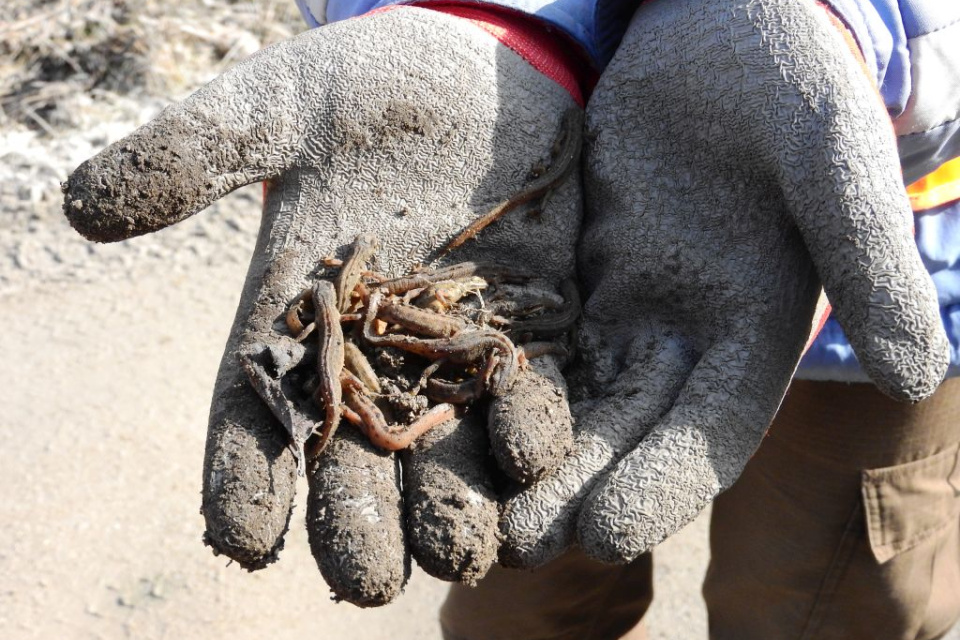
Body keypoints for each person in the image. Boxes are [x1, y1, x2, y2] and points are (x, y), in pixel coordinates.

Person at [62, 0, 959, 637]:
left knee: (836, 604)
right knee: (519, 588)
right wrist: (488, 21)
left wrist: (840, 19)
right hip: (515, 224)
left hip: (894, 251)